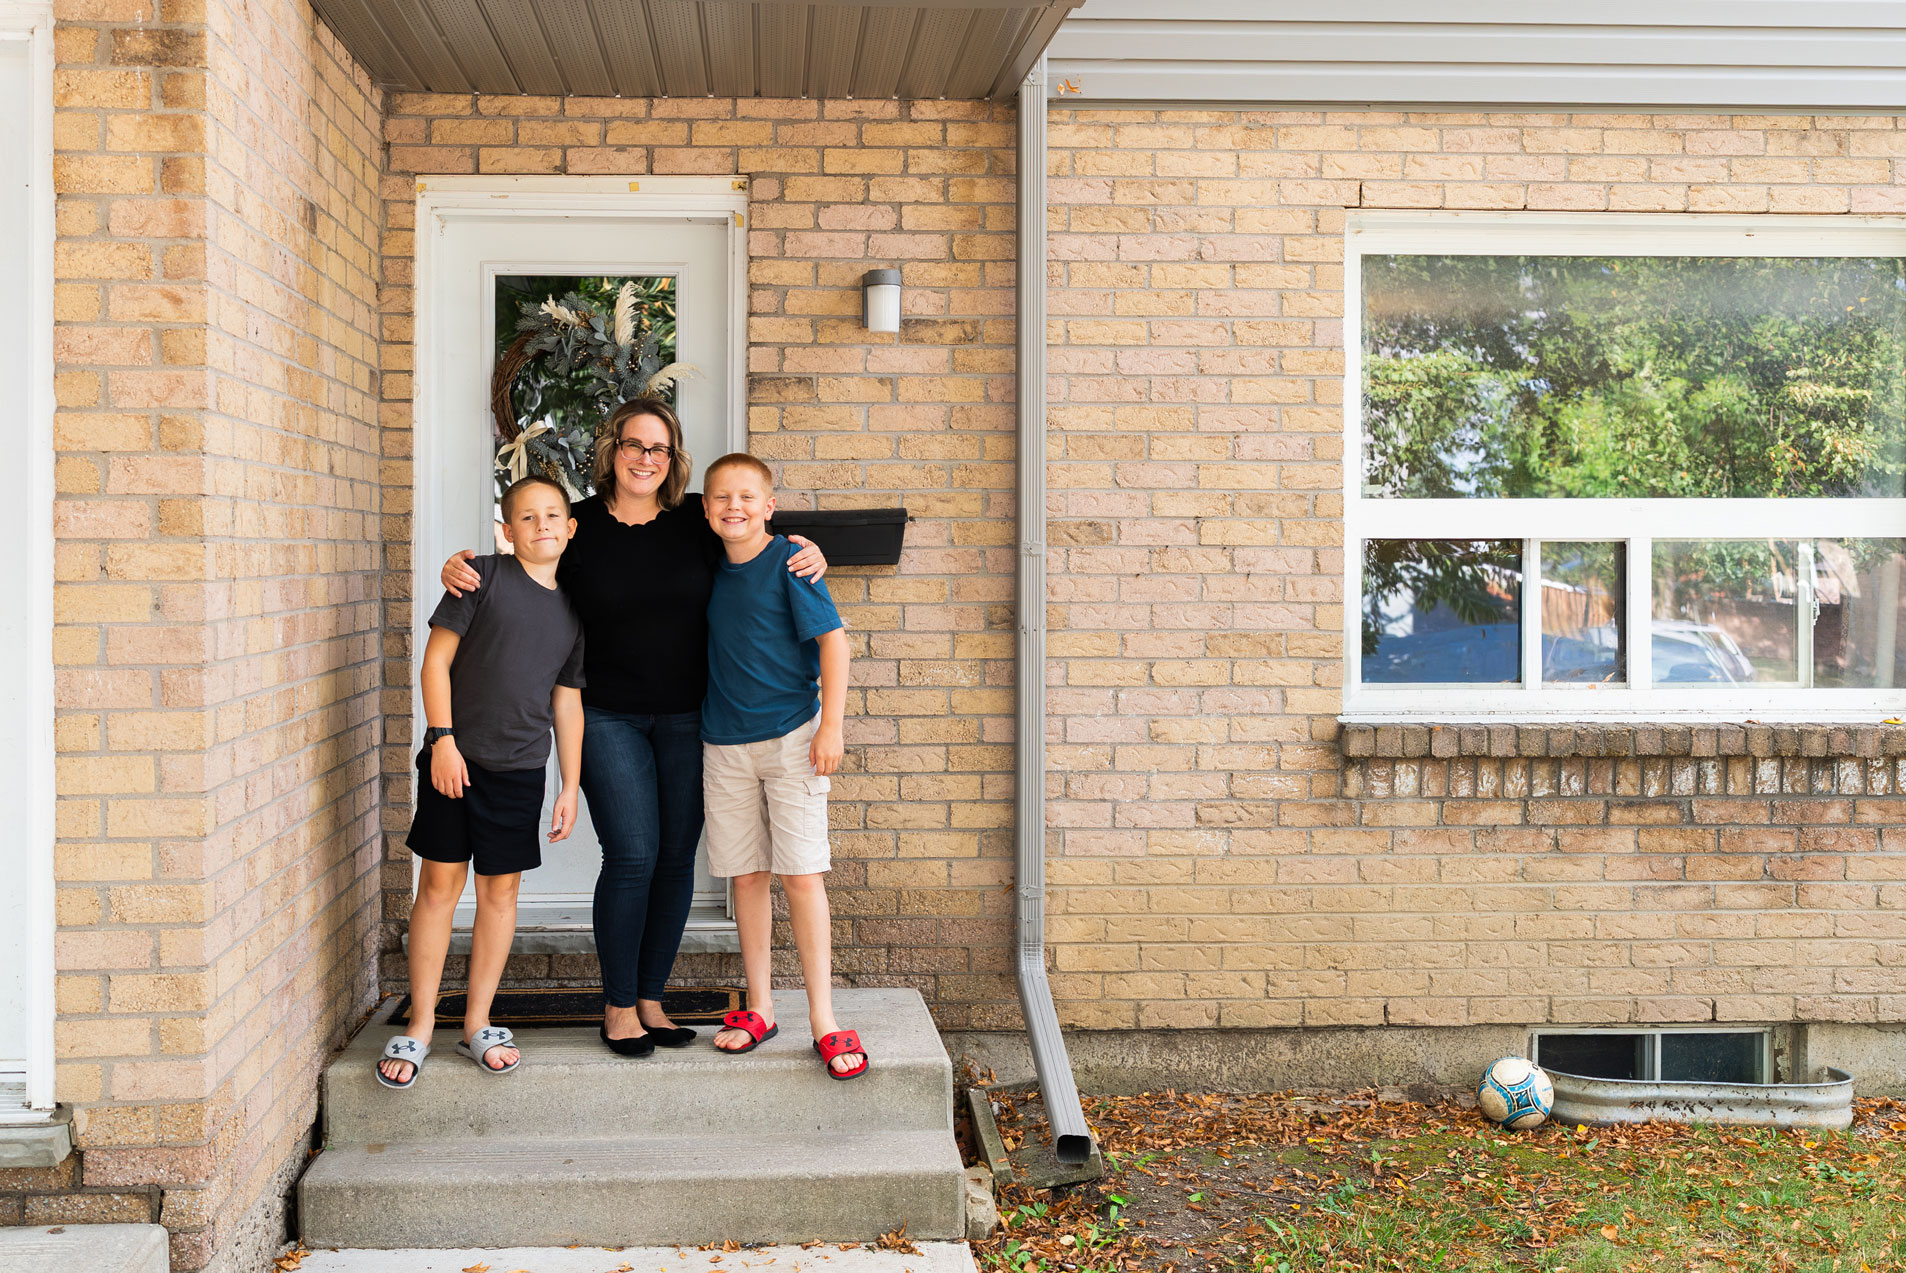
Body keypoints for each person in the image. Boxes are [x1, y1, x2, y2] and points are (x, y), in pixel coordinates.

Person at [439, 400, 827, 1056]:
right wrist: (462, 569)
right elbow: (523, 560)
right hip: (606, 713)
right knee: (633, 852)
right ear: (611, 450)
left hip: (690, 716)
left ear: (673, 459)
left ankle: (652, 995)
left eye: (660, 448)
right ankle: (618, 1004)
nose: (646, 457)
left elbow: (755, 533)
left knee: (676, 856)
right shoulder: (579, 525)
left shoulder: (697, 520)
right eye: (634, 444)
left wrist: (807, 546)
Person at [380, 475, 586, 1088]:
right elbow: (436, 661)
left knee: (500, 896)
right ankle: (420, 1023)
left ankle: (476, 1022)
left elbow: (567, 699)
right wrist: (442, 741)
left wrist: (568, 783)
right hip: (455, 762)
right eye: (527, 516)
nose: (541, 525)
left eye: (553, 515)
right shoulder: (480, 579)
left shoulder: (575, 609)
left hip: (520, 771)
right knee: (439, 891)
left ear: (571, 529)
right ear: (507, 529)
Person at [699, 453, 866, 1080]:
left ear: (769, 507)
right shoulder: (706, 568)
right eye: (721, 498)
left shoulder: (791, 563)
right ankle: (761, 1007)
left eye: (746, 498)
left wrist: (832, 725)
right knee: (746, 876)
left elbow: (834, 642)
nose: (733, 508)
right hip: (723, 743)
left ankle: (823, 1018)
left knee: (801, 875)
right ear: (707, 507)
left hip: (794, 739)